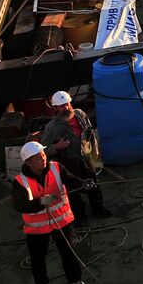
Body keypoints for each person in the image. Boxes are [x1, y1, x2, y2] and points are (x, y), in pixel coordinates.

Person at [12, 140, 85, 284]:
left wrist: (83, 184)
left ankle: (75, 279)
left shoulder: (56, 168)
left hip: (61, 221)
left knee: (68, 252)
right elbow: (19, 205)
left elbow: (70, 180)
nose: (43, 159)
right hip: (37, 228)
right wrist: (40, 202)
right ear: (28, 162)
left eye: (43, 155)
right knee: (37, 258)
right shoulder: (20, 182)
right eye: (38, 158)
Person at [39, 91, 109, 224]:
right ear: (55, 108)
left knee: (93, 185)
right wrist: (57, 147)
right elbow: (43, 150)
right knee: (73, 191)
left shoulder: (80, 114)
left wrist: (95, 155)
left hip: (87, 158)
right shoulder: (52, 127)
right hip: (69, 163)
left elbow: (90, 134)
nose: (65, 107)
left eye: (66, 104)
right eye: (61, 106)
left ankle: (98, 208)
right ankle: (79, 216)